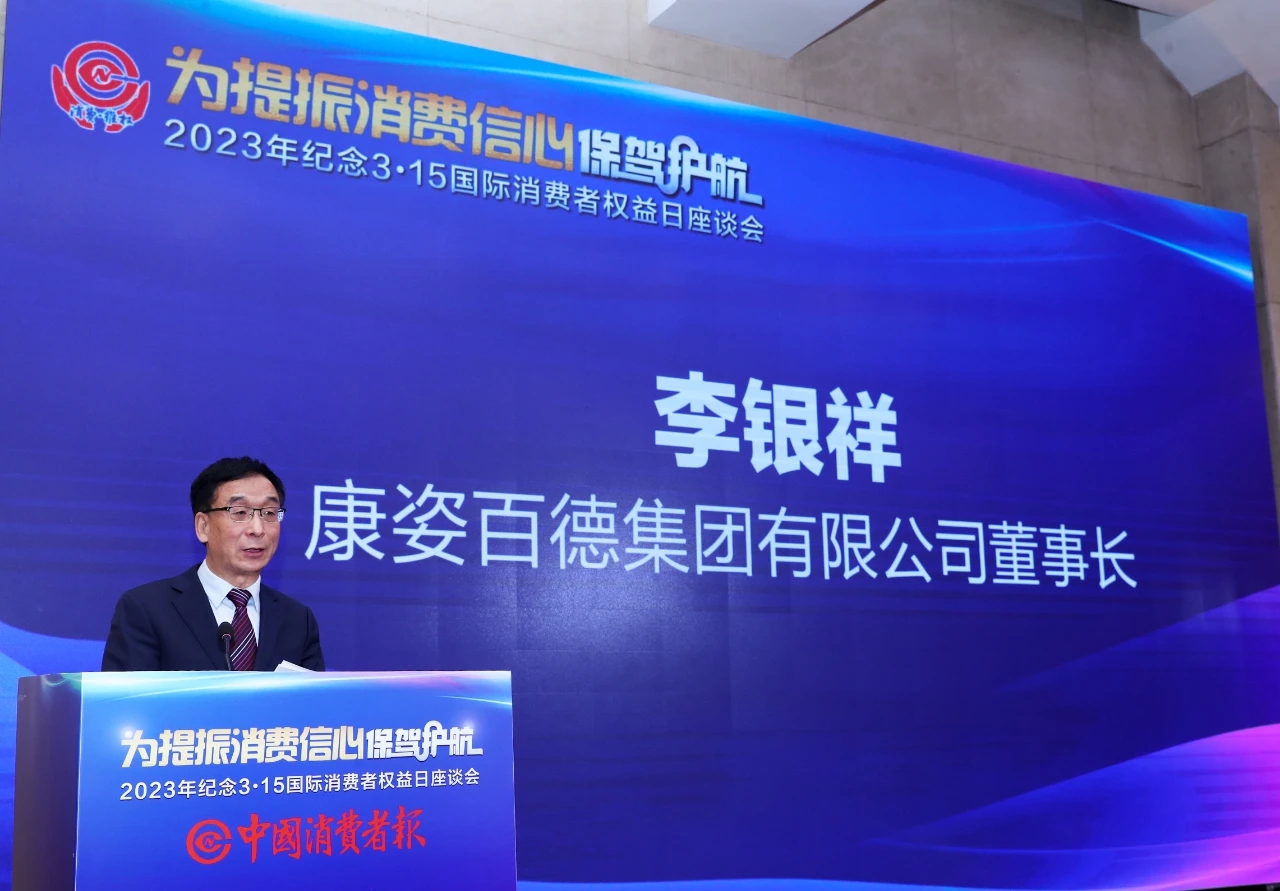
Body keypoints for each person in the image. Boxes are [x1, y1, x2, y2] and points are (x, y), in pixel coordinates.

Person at [101, 457, 324, 671]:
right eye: (240, 512)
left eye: (269, 513)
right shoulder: (147, 609)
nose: (258, 529)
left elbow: (316, 697)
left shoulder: (298, 621)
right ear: (203, 526)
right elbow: (128, 696)